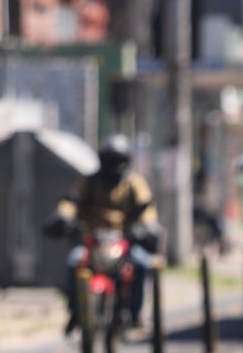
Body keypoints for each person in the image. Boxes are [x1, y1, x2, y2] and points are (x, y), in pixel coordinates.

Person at [47, 135, 159, 333]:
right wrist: (63, 216)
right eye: (110, 160)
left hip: (124, 241)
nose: (113, 165)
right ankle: (75, 310)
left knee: (141, 264)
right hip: (93, 241)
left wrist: (148, 227)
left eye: (117, 161)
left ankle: (136, 311)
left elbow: (147, 210)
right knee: (73, 262)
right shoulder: (90, 181)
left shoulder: (134, 183)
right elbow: (71, 202)